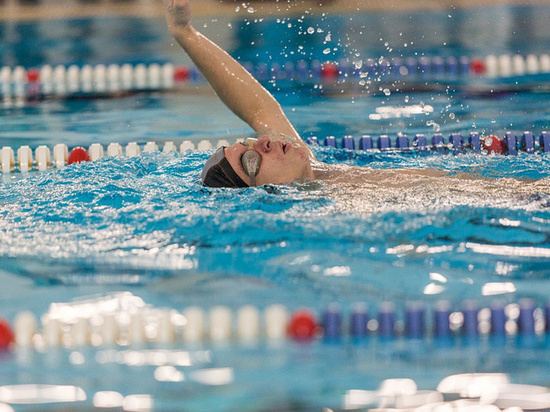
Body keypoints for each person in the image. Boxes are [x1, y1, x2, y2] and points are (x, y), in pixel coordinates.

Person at [163, 0, 317, 188]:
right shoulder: (336, 204)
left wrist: (184, 31)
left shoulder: (313, 171)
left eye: (250, 144)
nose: (264, 141)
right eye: (250, 159)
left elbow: (258, 109)